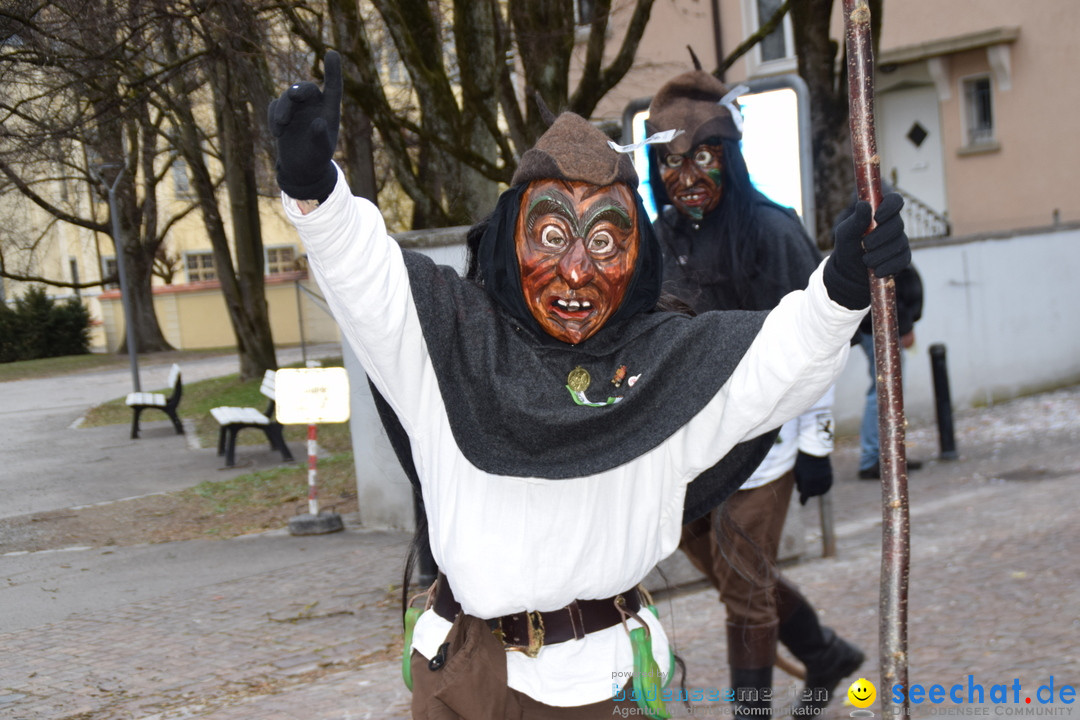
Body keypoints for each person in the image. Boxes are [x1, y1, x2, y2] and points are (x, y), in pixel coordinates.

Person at [268, 51, 910, 719]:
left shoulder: (664, 366)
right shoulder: (448, 342)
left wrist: (841, 286)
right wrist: (316, 188)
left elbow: (776, 356)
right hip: (469, 680)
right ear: (509, 241)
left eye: (604, 242)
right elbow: (369, 274)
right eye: (551, 235)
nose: (576, 271)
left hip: (605, 684)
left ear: (636, 260)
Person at [644, 69, 865, 718]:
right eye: (668, 163)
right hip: (691, 448)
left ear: (728, 157)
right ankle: (825, 655)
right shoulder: (658, 241)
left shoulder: (772, 231)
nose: (684, 176)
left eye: (700, 158)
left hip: (766, 443)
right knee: (736, 575)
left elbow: (824, 341)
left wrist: (819, 443)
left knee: (743, 590)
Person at [857, 262, 924, 479]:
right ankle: (873, 458)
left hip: (882, 324)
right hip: (881, 325)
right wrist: (904, 326)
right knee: (884, 390)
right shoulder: (873, 239)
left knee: (887, 390)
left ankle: (890, 455)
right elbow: (889, 288)